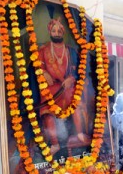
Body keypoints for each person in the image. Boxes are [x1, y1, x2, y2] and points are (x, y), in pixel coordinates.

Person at [38, 17, 90, 155]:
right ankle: (54, 144)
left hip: (67, 86)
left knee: (76, 102)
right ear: (50, 32)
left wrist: (71, 79)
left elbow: (77, 70)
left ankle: (79, 134)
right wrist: (43, 72)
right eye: (54, 30)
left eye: (59, 31)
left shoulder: (70, 50)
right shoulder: (43, 50)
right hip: (51, 88)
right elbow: (38, 67)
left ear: (63, 32)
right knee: (47, 110)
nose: (56, 33)